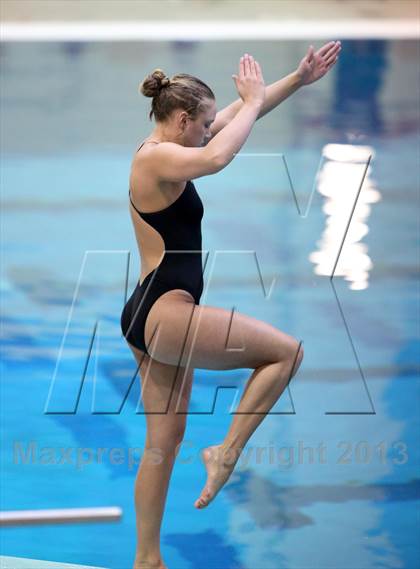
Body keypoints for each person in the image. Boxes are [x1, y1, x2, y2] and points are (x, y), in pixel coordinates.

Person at [121, 44, 341, 569]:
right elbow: (218, 156)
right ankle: (226, 452)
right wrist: (252, 99)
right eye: (201, 125)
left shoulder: (168, 147)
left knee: (163, 441)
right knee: (285, 355)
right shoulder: (157, 157)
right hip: (166, 312)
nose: (207, 131)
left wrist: (295, 80)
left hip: (149, 311)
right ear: (179, 120)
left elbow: (239, 119)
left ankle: (146, 559)